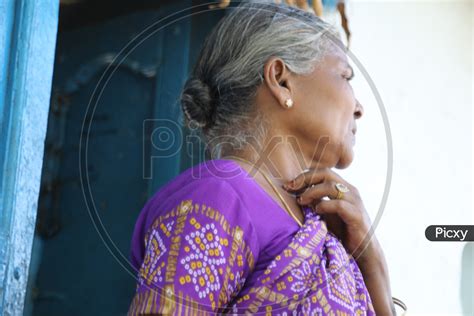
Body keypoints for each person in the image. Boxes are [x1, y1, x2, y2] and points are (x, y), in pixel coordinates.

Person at [128, 2, 397, 315]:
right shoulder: (218, 198)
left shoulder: (326, 227)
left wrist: (371, 261)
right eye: (345, 76)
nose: (359, 107)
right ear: (281, 79)